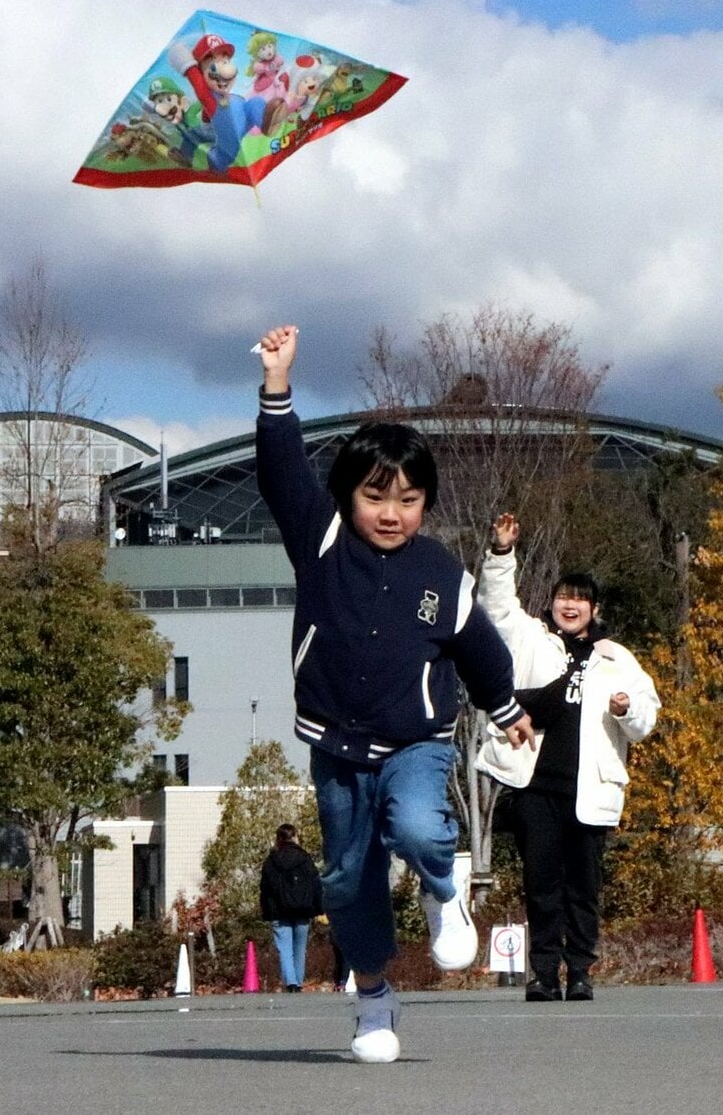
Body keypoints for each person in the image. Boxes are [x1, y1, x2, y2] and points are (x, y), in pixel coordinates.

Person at [254, 325, 534, 1063]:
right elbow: (283, 473)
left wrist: (505, 710)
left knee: (415, 826)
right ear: (347, 497)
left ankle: (445, 887)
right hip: (336, 747)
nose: (391, 512)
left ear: (426, 506)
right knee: (347, 877)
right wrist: (277, 387)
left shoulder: (441, 574)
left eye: (409, 499)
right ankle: (374, 999)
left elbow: (480, 648)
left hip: (416, 741)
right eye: (376, 496)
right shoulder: (320, 542)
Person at [475, 513, 660, 1003]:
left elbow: (646, 722)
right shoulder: (533, 638)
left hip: (592, 790)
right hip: (536, 785)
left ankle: (580, 970)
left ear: (593, 608)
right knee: (541, 886)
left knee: (583, 888)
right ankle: (541, 974)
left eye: (579, 598)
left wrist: (627, 708)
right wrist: (500, 553)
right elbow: (496, 607)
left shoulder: (618, 657)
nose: (569, 605)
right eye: (563, 596)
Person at [259, 823, 323, 992]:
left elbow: (265, 890)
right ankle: (298, 981)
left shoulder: (271, 861)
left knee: (285, 948)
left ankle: (291, 982)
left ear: (278, 839)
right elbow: (315, 884)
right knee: (300, 948)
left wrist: (267, 911)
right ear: (295, 837)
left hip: (279, 911)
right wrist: (319, 908)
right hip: (303, 909)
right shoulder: (305, 859)